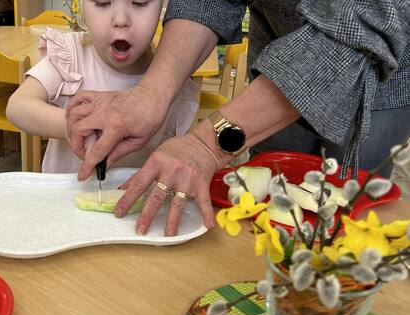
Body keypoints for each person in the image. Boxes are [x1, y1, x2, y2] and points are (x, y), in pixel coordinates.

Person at [66, 0, 410, 236]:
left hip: (382, 76)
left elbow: (362, 22)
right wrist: (150, 94)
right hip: (275, 57)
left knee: (350, 214)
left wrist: (206, 144)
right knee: (266, 210)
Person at [6, 0, 199, 173]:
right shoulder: (71, 55)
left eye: (140, 2)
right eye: (103, 2)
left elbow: (180, 158)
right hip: (61, 206)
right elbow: (17, 106)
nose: (121, 19)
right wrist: (70, 127)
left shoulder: (172, 79)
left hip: (131, 209)